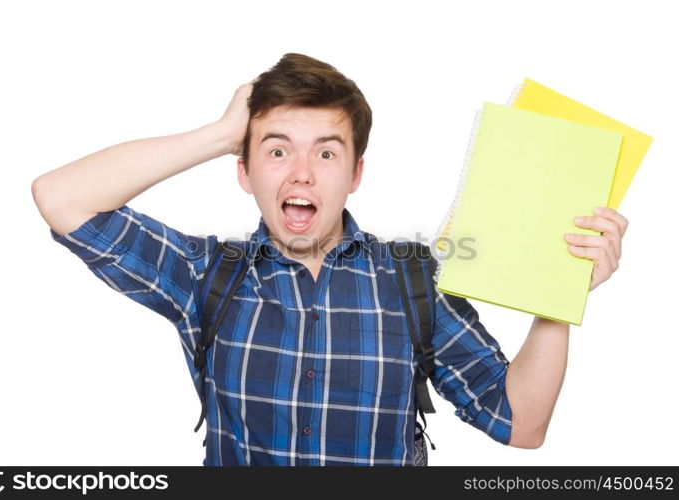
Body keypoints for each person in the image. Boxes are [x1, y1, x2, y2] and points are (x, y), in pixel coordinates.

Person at [31, 53, 629, 466]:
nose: (300, 173)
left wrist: (561, 293)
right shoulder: (203, 274)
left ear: (355, 174)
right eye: (275, 150)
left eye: (325, 152)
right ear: (244, 171)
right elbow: (61, 199)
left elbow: (522, 424)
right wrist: (219, 134)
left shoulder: (414, 279)